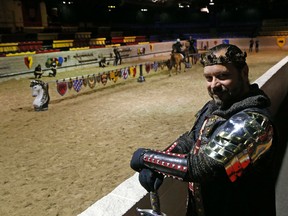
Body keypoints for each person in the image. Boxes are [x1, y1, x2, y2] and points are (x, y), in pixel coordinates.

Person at [130, 44, 277, 216]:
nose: (214, 85)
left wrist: (146, 157)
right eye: (208, 78)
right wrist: (162, 162)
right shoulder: (215, 107)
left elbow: (204, 168)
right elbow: (191, 138)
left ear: (244, 72)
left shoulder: (254, 121)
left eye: (223, 76)